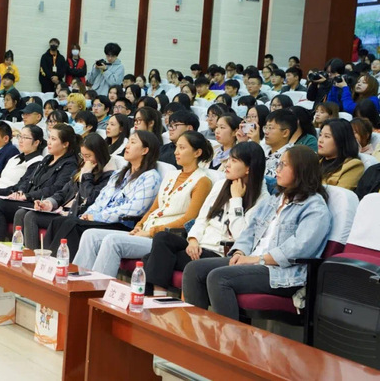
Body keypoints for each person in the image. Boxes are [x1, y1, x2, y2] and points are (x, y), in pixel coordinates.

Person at [182, 145, 331, 321]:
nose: (277, 169)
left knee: (219, 277)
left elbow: (298, 248)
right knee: (194, 270)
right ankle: (196, 330)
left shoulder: (315, 207)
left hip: (281, 273)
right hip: (253, 261)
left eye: (283, 165)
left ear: (301, 170)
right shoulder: (276, 200)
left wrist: (256, 259)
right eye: (278, 164)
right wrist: (239, 252)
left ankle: (228, 337)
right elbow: (250, 231)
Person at [73, 131, 214, 277]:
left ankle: (97, 286)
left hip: (164, 239)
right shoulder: (172, 175)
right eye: (177, 147)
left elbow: (189, 219)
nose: (176, 152)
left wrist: (150, 231)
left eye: (182, 148)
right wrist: (139, 225)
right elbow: (153, 209)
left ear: (197, 152)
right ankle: (77, 281)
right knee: (90, 235)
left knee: (112, 241)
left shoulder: (202, 181)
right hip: (145, 231)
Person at [143, 141, 268, 294]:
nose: (227, 164)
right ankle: (159, 298)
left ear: (248, 168)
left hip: (219, 253)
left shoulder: (262, 199)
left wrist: (236, 199)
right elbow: (202, 218)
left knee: (150, 258)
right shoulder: (221, 185)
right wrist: (193, 240)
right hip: (199, 247)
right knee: (162, 238)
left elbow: (241, 235)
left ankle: (157, 297)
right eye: (228, 159)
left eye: (234, 161)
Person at [44, 130, 162, 257]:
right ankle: (44, 259)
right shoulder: (119, 174)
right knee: (58, 221)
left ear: (145, 150)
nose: (127, 146)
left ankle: (59, 264)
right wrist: (88, 214)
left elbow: (133, 209)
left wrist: (97, 217)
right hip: (102, 220)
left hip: (121, 224)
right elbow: (101, 199)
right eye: (128, 142)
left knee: (72, 225)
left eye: (132, 142)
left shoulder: (150, 177)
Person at [0, 124, 79, 240]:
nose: (49, 142)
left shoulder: (69, 164)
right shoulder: (47, 159)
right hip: (29, 198)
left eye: (54, 139)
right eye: (49, 138)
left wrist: (27, 196)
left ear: (65, 144)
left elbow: (55, 188)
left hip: (39, 202)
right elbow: (28, 180)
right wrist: (20, 191)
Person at [15, 133, 115, 249]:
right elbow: (64, 191)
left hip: (78, 215)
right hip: (63, 210)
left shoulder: (108, 176)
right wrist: (48, 203)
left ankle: (34, 255)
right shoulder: (82, 168)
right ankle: (20, 251)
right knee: (22, 213)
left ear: (99, 154)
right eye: (82, 155)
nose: (85, 160)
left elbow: (90, 198)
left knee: (32, 217)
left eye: (88, 156)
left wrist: (86, 176)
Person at [318, 119, 364, 190]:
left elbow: (339, 194)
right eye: (320, 135)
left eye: (327, 136)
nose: (320, 140)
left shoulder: (353, 165)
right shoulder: (314, 162)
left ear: (341, 140)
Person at [262, 110, 297, 177]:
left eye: (270, 128)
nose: (266, 132)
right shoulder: (264, 149)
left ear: (285, 133)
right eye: (266, 128)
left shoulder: (291, 156)